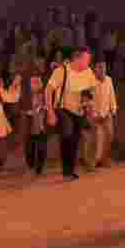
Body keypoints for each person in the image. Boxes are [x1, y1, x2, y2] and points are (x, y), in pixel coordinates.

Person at [45, 47, 99, 181]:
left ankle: (69, 171)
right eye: (87, 59)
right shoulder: (61, 71)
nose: (89, 62)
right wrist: (50, 111)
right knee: (67, 135)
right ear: (77, 58)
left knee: (74, 140)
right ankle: (66, 171)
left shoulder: (88, 72)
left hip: (79, 111)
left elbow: (91, 90)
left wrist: (89, 105)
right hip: (63, 108)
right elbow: (48, 90)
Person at [20, 74, 50, 175]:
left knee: (42, 148)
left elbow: (50, 107)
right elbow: (20, 109)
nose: (35, 85)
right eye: (33, 82)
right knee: (29, 149)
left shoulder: (46, 95)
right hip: (29, 126)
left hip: (42, 126)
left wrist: (45, 108)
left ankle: (39, 168)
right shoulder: (25, 96)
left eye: (37, 82)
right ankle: (30, 165)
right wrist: (27, 112)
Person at [91, 59, 118, 168]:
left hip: (107, 114)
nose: (102, 70)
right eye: (100, 68)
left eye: (104, 68)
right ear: (95, 69)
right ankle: (94, 160)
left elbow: (111, 95)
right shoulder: (90, 81)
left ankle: (104, 159)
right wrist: (94, 114)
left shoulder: (109, 80)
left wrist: (113, 109)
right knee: (96, 138)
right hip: (95, 115)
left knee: (109, 136)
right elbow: (89, 99)